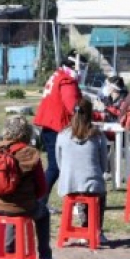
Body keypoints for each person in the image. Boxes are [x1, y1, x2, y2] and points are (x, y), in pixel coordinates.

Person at [0, 114, 60, 259]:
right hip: (21, 207)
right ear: (27, 133)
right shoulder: (30, 153)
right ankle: (45, 257)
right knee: (42, 213)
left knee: (10, 211)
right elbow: (42, 188)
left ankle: (9, 253)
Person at [56, 98, 111, 247]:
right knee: (97, 192)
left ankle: (85, 227)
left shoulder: (62, 135)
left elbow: (59, 160)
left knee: (80, 192)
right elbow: (104, 164)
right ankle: (96, 230)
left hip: (69, 182)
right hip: (92, 182)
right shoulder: (98, 136)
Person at [34, 52, 82, 196]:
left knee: (55, 167)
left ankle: (41, 199)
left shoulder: (58, 75)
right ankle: (41, 200)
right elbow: (74, 107)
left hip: (49, 125)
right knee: (56, 167)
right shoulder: (67, 81)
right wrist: (95, 113)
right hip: (57, 127)